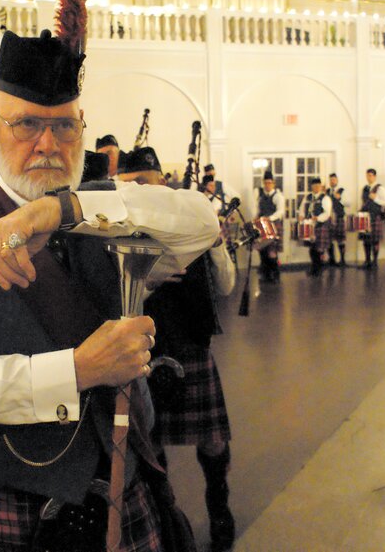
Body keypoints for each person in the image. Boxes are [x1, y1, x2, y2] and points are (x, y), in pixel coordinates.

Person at [0, 25, 219, 551]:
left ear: (83, 128)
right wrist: (75, 371)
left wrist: (65, 208)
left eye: (64, 127)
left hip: (120, 486)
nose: (47, 144)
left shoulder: (103, 208)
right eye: (26, 123)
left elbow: (202, 221)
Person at [117, 148, 237, 552]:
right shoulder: (115, 230)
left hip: (190, 344)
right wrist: (149, 277)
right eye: (128, 185)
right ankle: (167, 513)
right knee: (153, 443)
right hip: (144, 352)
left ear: (161, 181)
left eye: (144, 183)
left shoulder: (190, 221)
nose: (136, 193)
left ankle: (218, 504)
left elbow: (224, 287)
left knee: (214, 440)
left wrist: (216, 244)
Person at [253, 171, 285, 283]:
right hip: (262, 225)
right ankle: (266, 275)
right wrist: (255, 219)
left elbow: (280, 211)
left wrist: (269, 218)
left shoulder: (278, 196)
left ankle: (275, 275)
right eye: (266, 183)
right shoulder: (260, 196)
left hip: (273, 225)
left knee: (272, 252)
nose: (267, 185)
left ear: (273, 183)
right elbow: (258, 210)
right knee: (262, 251)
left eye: (269, 183)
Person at [298, 177, 332, 277]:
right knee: (312, 248)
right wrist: (301, 216)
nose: (316, 187)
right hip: (309, 226)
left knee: (319, 249)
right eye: (314, 185)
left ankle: (318, 269)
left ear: (320, 186)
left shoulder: (325, 198)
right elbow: (302, 209)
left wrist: (317, 218)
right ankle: (314, 268)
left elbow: (327, 213)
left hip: (319, 226)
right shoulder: (307, 197)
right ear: (311, 186)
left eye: (318, 185)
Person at [359, 168, 385, 269]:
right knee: (366, 240)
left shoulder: (380, 188)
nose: (369, 177)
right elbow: (363, 202)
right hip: (365, 217)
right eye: (367, 175)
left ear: (375, 176)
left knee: (375, 240)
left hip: (375, 216)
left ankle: (375, 262)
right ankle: (367, 261)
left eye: (371, 175)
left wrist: (375, 198)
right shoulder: (365, 188)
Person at [325, 172, 349, 266]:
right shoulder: (327, 192)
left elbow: (348, 203)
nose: (332, 181)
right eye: (331, 180)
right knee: (329, 239)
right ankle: (332, 260)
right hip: (329, 218)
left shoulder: (342, 191)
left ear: (337, 180)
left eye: (334, 179)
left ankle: (342, 260)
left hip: (339, 217)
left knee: (340, 239)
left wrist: (340, 198)